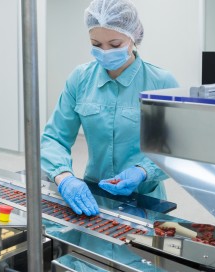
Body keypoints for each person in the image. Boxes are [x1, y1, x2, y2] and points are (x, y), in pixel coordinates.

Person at [40, 0, 179, 217]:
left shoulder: (161, 82)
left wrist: (142, 171)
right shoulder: (80, 79)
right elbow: (54, 139)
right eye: (96, 44)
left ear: (133, 37)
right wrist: (64, 177)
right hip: (94, 195)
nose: (105, 52)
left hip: (146, 198)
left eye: (114, 45)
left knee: (141, 250)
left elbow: (174, 146)